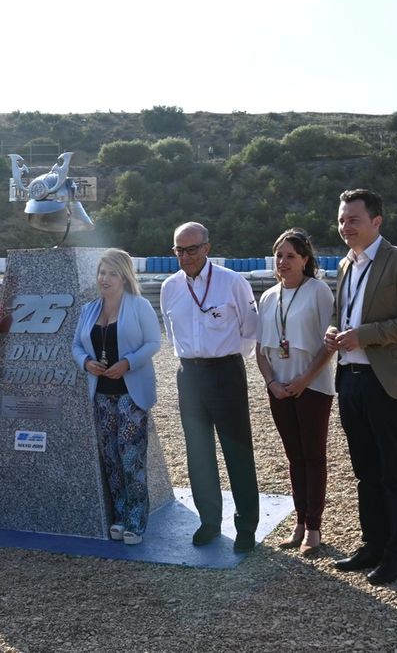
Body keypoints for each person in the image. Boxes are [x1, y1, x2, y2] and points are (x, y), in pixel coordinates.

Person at [324, 189, 397, 585]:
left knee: (394, 470)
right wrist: (334, 332)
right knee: (365, 471)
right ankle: (372, 544)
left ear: (376, 222)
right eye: (341, 220)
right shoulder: (344, 265)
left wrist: (364, 335)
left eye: (353, 219)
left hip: (387, 382)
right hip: (350, 379)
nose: (345, 226)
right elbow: (343, 314)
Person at [160, 222, 261, 553]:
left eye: (192, 249)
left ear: (207, 247)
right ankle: (209, 521)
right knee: (198, 451)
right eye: (179, 250)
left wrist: (223, 358)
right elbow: (172, 333)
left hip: (226, 371)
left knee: (237, 451)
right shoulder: (170, 287)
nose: (185, 256)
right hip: (189, 374)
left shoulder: (233, 282)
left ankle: (246, 525)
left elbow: (250, 330)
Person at [255, 229, 335, 556]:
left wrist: (304, 380)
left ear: (305, 259)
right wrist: (271, 383)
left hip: (312, 387)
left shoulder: (318, 291)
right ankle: (299, 522)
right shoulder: (268, 296)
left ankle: (314, 527)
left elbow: (330, 343)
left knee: (313, 456)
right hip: (279, 388)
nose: (283, 262)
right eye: (279, 255)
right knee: (294, 457)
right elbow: (261, 350)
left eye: (290, 255)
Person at [72, 249, 161, 545]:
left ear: (124, 276)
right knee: (110, 458)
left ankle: (137, 519)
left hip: (130, 394)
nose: (104, 279)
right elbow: (76, 345)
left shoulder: (139, 306)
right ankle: (121, 516)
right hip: (101, 395)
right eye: (101, 272)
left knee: (130, 457)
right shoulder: (89, 310)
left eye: (111, 273)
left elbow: (153, 342)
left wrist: (128, 362)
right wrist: (87, 363)